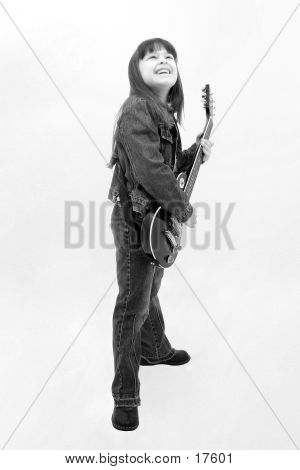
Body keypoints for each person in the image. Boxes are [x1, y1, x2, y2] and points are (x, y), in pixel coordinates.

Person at [106, 38, 213, 431]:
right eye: (152, 56)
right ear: (137, 69)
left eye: (170, 57)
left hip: (155, 221)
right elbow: (150, 171)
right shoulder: (137, 109)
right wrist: (182, 209)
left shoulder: (162, 113)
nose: (163, 61)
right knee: (132, 304)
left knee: (148, 291)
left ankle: (154, 349)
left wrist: (193, 153)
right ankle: (125, 397)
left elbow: (166, 167)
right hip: (137, 222)